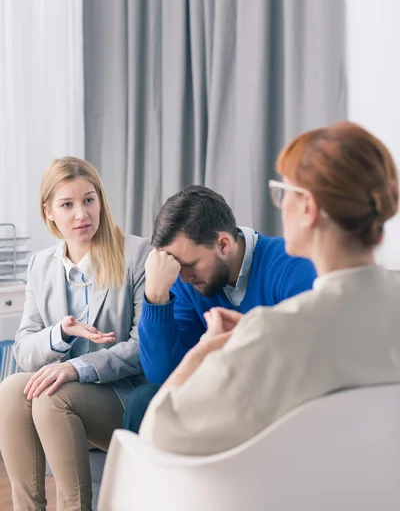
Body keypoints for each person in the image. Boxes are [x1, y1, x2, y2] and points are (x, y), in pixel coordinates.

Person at [139, 120, 400, 455]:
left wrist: (209, 349)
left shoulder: (277, 330)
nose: (280, 206)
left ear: (308, 208)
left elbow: (161, 430)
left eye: (282, 191)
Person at [0, 157, 151, 511]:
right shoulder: (41, 264)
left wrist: (76, 367)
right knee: (9, 390)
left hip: (120, 396)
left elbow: (142, 346)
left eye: (89, 200)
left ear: (100, 201)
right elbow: (23, 349)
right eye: (67, 204)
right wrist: (60, 334)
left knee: (53, 397)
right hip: (62, 395)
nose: (81, 214)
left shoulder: (136, 254)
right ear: (48, 212)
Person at [123, 185, 317, 432]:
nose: (183, 278)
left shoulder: (291, 265)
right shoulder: (187, 283)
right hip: (218, 396)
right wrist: (155, 295)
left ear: (224, 244)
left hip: (275, 403)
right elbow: (163, 376)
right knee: (144, 400)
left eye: (190, 264)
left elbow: (304, 363)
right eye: (175, 267)